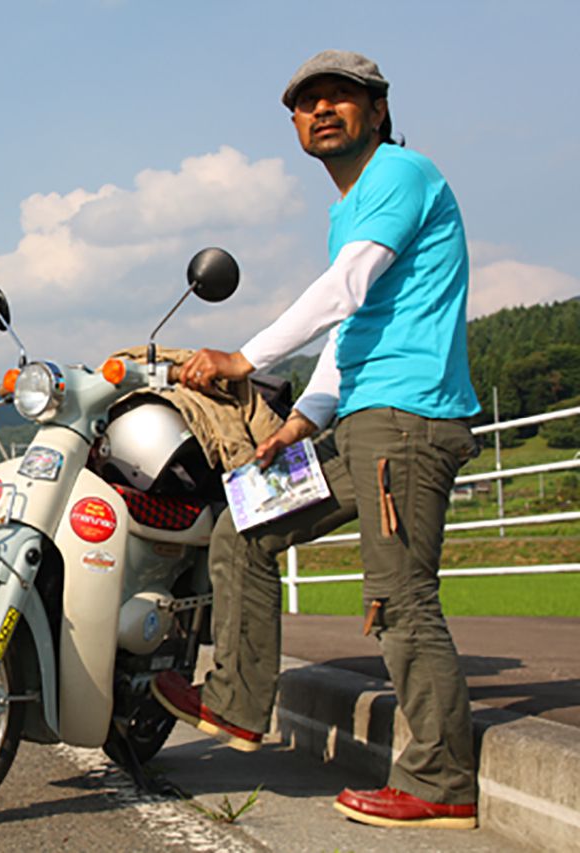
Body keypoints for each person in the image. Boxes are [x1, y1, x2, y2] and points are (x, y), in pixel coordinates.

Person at [151, 50, 481, 830]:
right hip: (362, 419)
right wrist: (305, 420)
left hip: (408, 421)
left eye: (342, 97)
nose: (322, 109)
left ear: (378, 112)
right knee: (245, 529)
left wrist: (246, 357)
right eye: (307, 102)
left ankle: (441, 783)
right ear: (295, 124)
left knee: (401, 598)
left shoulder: (402, 175)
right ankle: (235, 702)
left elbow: (346, 287)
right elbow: (352, 324)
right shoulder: (355, 205)